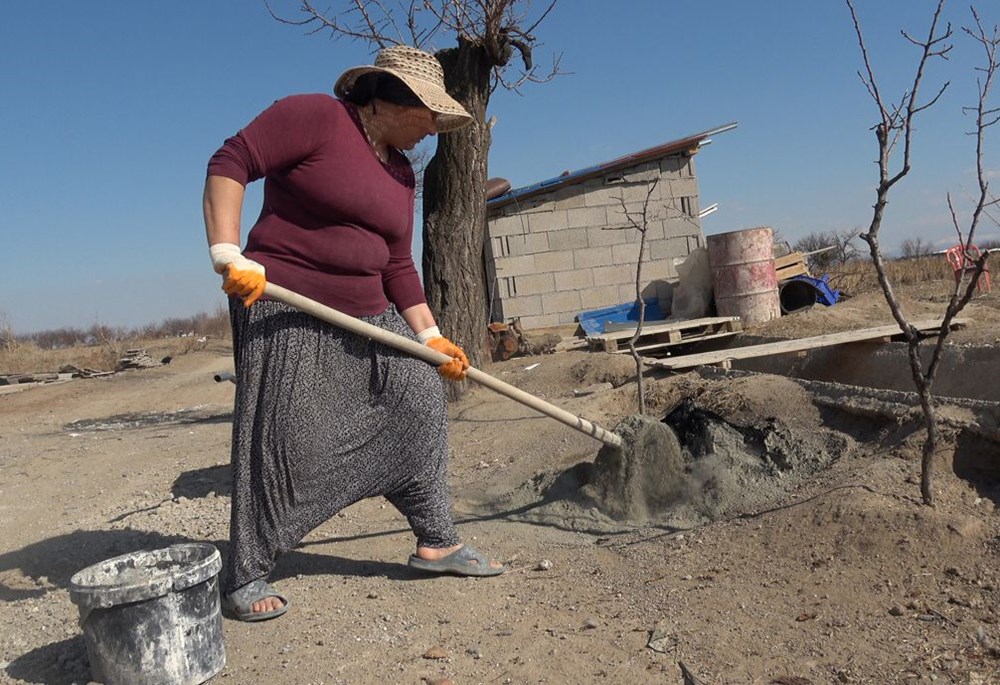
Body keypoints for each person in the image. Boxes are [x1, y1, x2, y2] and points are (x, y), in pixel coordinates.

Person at [202, 45, 505, 622]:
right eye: (430, 117)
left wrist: (431, 338)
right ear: (394, 99)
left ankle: (436, 541)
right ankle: (248, 568)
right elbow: (231, 160)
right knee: (287, 439)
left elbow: (397, 263)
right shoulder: (316, 117)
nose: (433, 130)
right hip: (285, 304)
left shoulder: (402, 170)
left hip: (369, 314)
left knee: (417, 399)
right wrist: (228, 254)